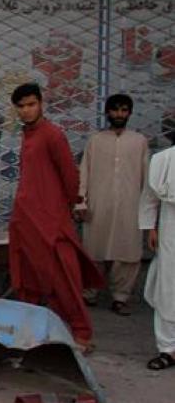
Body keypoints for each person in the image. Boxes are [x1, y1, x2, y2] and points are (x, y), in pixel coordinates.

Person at [8, 83, 104, 352]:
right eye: (21, 106)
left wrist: (69, 206)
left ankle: (81, 334)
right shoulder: (28, 135)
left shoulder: (52, 135)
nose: (26, 110)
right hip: (26, 220)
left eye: (31, 104)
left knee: (62, 277)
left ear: (41, 104)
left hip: (50, 221)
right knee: (28, 278)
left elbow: (70, 176)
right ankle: (39, 332)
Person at [77, 93, 150, 315]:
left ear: (129, 113)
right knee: (94, 251)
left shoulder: (139, 142)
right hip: (98, 207)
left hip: (130, 208)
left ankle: (120, 297)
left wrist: (148, 210)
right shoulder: (96, 141)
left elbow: (146, 178)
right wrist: (81, 202)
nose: (119, 114)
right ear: (107, 112)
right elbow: (84, 174)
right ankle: (89, 294)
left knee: (126, 254)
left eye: (124, 110)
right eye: (115, 110)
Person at [141, 133, 175, 370]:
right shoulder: (164, 160)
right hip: (170, 228)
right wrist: (150, 227)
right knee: (167, 285)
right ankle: (167, 349)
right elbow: (149, 198)